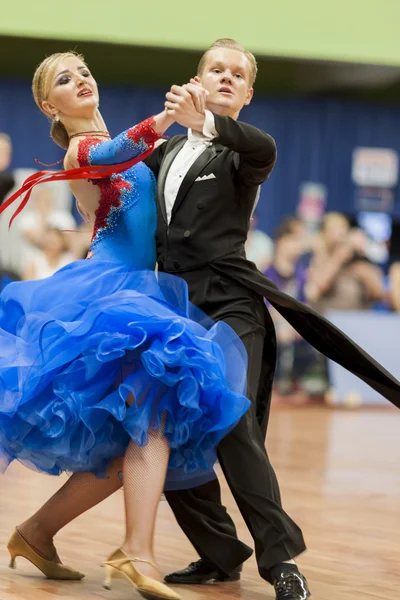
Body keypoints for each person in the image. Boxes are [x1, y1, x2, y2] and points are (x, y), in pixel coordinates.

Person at [5, 40, 400, 600]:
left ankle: (277, 561)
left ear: (247, 91)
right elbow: (108, 164)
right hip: (157, 303)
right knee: (160, 435)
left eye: (238, 74)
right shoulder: (149, 153)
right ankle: (199, 552)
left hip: (230, 303)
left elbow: (259, 146)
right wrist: (169, 122)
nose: (226, 78)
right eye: (216, 69)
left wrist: (206, 122)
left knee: (220, 424)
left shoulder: (242, 151)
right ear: (197, 78)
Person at [0, 51, 252, 600]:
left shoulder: (136, 150)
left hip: (140, 294)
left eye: (84, 71)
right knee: (150, 422)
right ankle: (136, 552)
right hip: (111, 298)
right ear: (50, 105)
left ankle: (37, 533)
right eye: (65, 79)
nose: (81, 79)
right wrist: (166, 117)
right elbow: (116, 152)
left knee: (127, 448)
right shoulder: (81, 147)